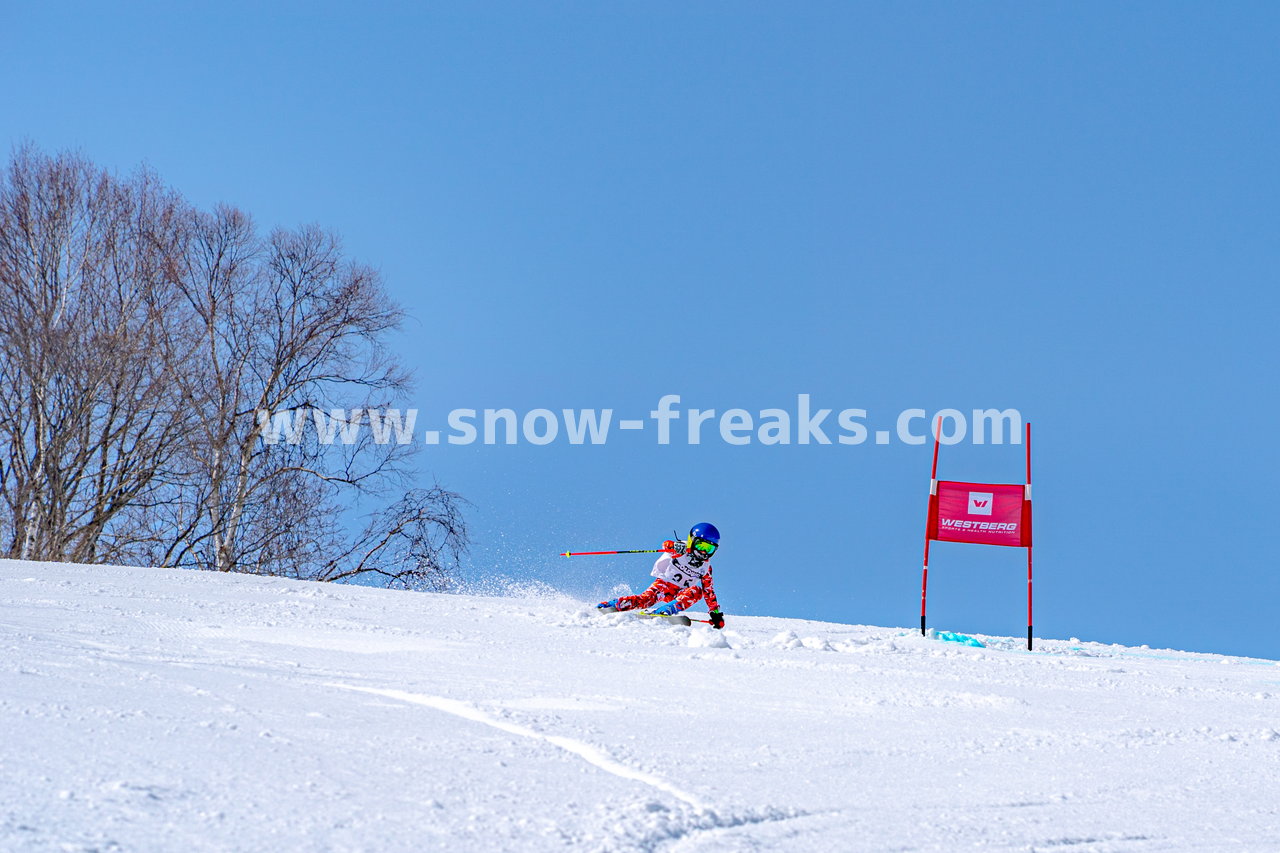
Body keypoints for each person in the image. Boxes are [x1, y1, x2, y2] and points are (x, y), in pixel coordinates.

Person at [597, 522, 725, 629]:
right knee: (646, 600)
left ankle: (665, 611)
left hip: (680, 593)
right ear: (692, 541)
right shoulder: (682, 549)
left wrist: (715, 613)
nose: (703, 552)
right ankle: (612, 605)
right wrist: (674, 546)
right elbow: (667, 544)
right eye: (700, 546)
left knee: (697, 591)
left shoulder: (705, 568)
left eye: (709, 549)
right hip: (664, 585)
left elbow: (709, 591)